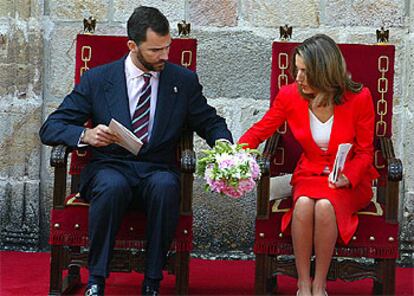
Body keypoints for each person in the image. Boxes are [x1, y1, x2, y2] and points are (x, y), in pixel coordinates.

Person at [40, 6, 233, 296]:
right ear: (132, 46)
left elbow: (211, 122)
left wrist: (225, 148)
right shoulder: (97, 80)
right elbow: (52, 126)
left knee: (167, 186)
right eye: (156, 50)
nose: (165, 56)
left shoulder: (182, 81)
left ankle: (152, 283)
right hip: (109, 167)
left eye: (168, 47)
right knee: (111, 186)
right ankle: (96, 281)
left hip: (156, 169)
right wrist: (86, 134)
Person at [239, 34, 379, 296]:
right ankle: (303, 284)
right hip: (309, 174)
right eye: (297, 69)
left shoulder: (359, 98)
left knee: (325, 206)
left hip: (348, 180)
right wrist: (232, 156)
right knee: (303, 203)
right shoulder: (290, 95)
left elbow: (365, 152)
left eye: (305, 71)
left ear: (325, 72)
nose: (298, 77)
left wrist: (347, 177)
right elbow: (261, 130)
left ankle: (319, 284)